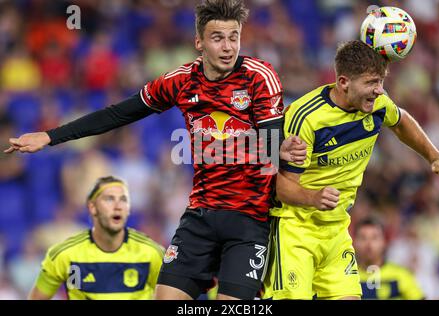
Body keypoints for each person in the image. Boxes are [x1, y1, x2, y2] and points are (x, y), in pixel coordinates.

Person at [5, 0, 306, 300]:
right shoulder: (181, 81)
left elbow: (269, 154)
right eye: (217, 38)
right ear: (199, 42)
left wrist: (277, 148)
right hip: (200, 217)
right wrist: (50, 136)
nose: (228, 47)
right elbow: (118, 114)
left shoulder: (259, 76)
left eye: (233, 37)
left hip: (249, 219)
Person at [263, 40, 439, 300]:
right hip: (294, 229)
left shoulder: (377, 105)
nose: (379, 91)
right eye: (371, 83)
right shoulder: (306, 117)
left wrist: (435, 156)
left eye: (381, 82)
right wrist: (313, 197)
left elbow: (401, 121)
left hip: (337, 229)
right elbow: (279, 186)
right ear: (343, 82)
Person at [28, 176, 164, 300]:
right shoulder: (64, 254)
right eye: (109, 199)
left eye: (123, 200)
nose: (117, 206)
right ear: (92, 208)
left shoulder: (152, 253)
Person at [353, 216, 425, 300]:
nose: (369, 244)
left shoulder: (400, 274)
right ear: (354, 242)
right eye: (363, 238)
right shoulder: (346, 276)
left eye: (374, 238)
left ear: (384, 242)